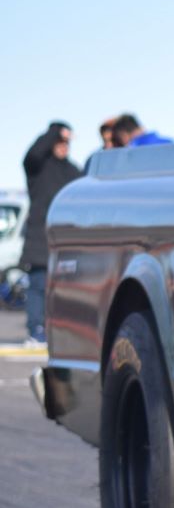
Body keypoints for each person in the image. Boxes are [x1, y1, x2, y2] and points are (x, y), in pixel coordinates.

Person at [21, 122, 81, 346]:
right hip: (39, 238)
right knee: (38, 286)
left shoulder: (73, 171)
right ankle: (35, 330)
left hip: (65, 239)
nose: (64, 147)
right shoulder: (38, 166)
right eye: (59, 142)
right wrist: (56, 130)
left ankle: (58, 331)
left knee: (64, 291)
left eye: (67, 143)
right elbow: (33, 154)